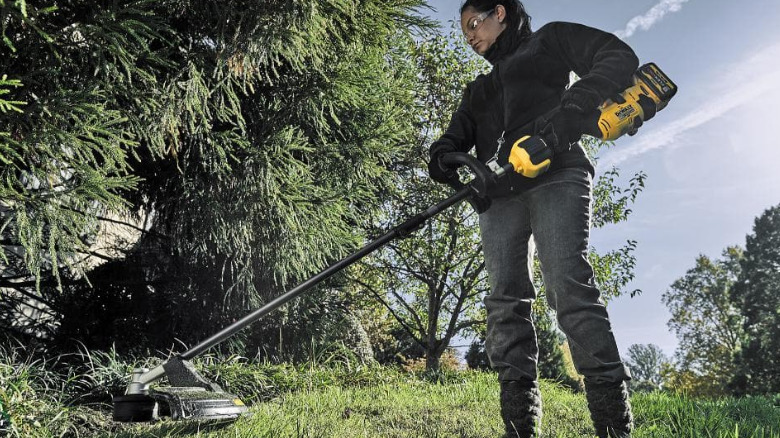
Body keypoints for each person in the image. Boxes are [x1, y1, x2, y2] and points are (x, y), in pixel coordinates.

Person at [427, 1, 640, 437]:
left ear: (499, 13)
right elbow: (454, 136)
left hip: (557, 173)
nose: (469, 36)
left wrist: (575, 105)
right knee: (504, 300)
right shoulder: (479, 90)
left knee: (567, 285)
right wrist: (442, 157)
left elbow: (617, 55)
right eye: (464, 30)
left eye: (474, 23)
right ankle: (519, 426)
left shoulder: (549, 41)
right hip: (500, 192)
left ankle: (612, 423)